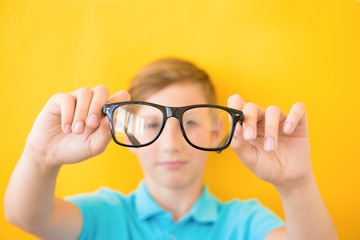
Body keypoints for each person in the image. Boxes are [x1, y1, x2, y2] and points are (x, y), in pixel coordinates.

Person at [4, 58, 337, 240]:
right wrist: (40, 156)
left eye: (190, 122)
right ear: (129, 135)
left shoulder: (243, 223)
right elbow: (25, 216)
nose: (172, 144)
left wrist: (296, 185)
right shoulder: (106, 214)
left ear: (217, 131)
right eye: (152, 125)